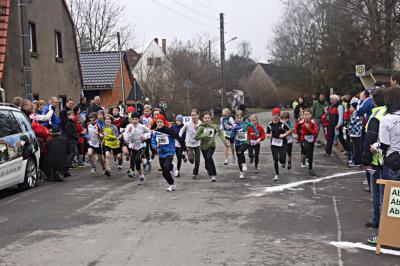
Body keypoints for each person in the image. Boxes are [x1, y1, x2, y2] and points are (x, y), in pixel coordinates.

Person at [368, 86, 400, 245]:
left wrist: (374, 147)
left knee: (387, 200)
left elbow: (384, 145)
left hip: (391, 162)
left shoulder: (387, 119)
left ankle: (384, 235)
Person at [361, 89, 386, 230]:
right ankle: (381, 221)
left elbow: (370, 137)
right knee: (384, 193)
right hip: (389, 158)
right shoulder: (391, 112)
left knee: (377, 192)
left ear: (374, 101)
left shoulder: (375, 114)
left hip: (377, 159)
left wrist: (365, 160)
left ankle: (378, 221)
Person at [151, 115, 186, 191]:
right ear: (156, 123)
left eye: (161, 122)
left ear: (164, 122)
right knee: (164, 172)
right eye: (158, 122)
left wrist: (184, 148)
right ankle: (172, 184)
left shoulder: (169, 131)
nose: (159, 123)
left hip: (170, 151)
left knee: (166, 167)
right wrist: (155, 147)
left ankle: (171, 168)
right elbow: (153, 141)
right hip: (161, 152)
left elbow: (178, 138)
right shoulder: (155, 132)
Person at [195, 111, 228, 182]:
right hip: (203, 147)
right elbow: (196, 137)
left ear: (211, 119)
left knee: (209, 157)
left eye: (208, 118)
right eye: (205, 118)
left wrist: (225, 142)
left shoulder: (214, 126)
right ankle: (207, 167)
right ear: (203, 119)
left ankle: (213, 175)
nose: (207, 119)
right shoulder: (201, 127)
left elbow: (221, 134)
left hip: (211, 145)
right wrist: (204, 134)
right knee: (207, 160)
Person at [124, 112, 151, 185]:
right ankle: (141, 175)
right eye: (133, 119)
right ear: (131, 120)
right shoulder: (128, 126)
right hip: (132, 147)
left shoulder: (142, 126)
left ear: (139, 119)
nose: (134, 121)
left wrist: (144, 137)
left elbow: (149, 132)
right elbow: (126, 139)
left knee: (137, 159)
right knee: (136, 162)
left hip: (141, 146)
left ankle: (144, 162)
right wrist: (129, 132)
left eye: (136, 119)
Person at [230, 110, 258, 179]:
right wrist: (233, 131)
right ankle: (241, 172)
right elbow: (232, 135)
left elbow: (253, 125)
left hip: (245, 142)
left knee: (240, 152)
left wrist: (256, 132)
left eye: (240, 118)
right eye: (237, 118)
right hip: (237, 143)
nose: (239, 119)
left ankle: (244, 163)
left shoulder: (246, 123)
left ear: (243, 118)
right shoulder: (235, 125)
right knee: (239, 157)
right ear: (235, 118)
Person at [266, 108, 291, 181]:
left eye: (278, 115)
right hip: (274, 144)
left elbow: (290, 130)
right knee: (275, 159)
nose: (276, 116)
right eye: (274, 115)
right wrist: (268, 135)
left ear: (279, 116)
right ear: (272, 115)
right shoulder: (269, 125)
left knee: (282, 160)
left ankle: (283, 161)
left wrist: (284, 135)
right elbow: (267, 134)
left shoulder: (283, 124)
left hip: (283, 144)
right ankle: (276, 174)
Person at [294, 109, 318, 176]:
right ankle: (304, 155)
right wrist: (295, 134)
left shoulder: (313, 122)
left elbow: (315, 132)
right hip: (303, 139)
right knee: (306, 148)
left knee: (311, 154)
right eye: (305, 114)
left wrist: (309, 128)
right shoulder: (301, 122)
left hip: (311, 139)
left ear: (310, 115)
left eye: (308, 114)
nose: (306, 116)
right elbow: (295, 127)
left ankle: (310, 168)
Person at [179, 109, 202, 179]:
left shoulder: (200, 123)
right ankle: (188, 155)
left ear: (198, 115)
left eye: (195, 115)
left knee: (197, 160)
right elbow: (182, 130)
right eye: (192, 115)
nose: (193, 117)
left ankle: (195, 173)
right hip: (189, 143)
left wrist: (198, 129)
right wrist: (179, 137)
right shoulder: (188, 123)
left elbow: (203, 132)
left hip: (197, 143)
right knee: (191, 159)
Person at [348, 99, 363, 167]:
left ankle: (356, 161)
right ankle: (356, 160)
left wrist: (349, 130)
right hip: (358, 133)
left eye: (351, 107)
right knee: (357, 147)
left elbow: (351, 124)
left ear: (354, 107)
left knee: (354, 148)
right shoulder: (358, 113)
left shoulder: (355, 114)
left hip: (354, 133)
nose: (350, 108)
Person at [65, 110, 78, 175]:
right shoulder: (68, 123)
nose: (73, 116)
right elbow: (70, 133)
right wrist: (76, 137)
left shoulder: (72, 122)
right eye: (71, 115)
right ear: (68, 116)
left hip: (73, 140)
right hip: (70, 140)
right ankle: (66, 167)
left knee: (74, 152)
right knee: (72, 153)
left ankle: (67, 169)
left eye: (73, 115)